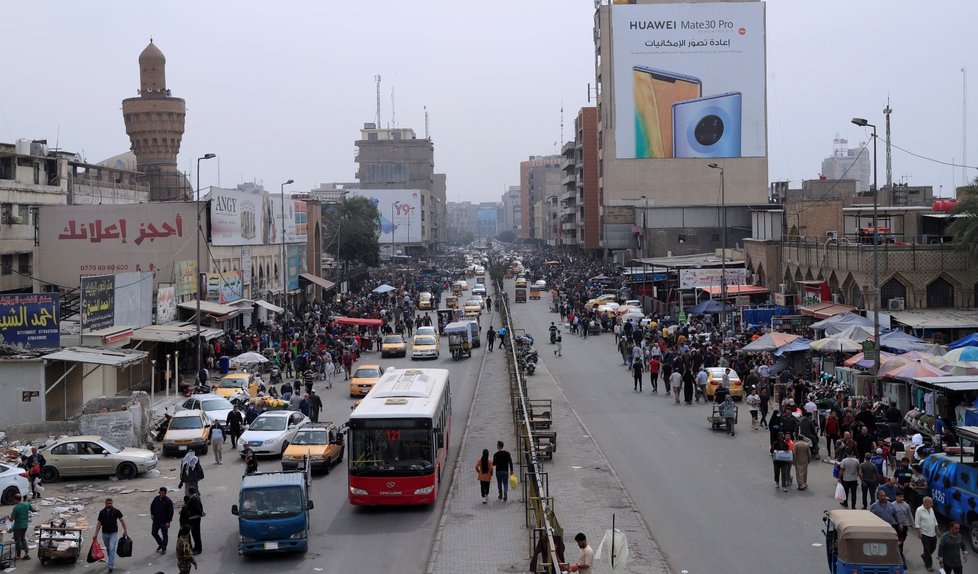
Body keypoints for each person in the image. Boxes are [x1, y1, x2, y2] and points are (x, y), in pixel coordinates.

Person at [93, 497, 128, 573]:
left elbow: (122, 520)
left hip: (113, 533)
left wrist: (125, 531)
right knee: (108, 548)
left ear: (112, 503)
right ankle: (110, 559)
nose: (109, 505)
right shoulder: (102, 512)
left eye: (110, 503)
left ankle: (110, 565)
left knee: (112, 548)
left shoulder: (116, 511)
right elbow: (99, 523)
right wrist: (95, 534)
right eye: (108, 503)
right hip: (104, 533)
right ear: (105, 504)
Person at [915, 496, 940, 572]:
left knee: (933, 547)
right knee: (927, 550)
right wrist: (919, 533)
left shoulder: (931, 509)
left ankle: (924, 555)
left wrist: (937, 530)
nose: (932, 504)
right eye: (930, 503)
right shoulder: (919, 510)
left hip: (932, 533)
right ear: (925, 502)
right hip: (924, 534)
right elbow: (917, 523)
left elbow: (934, 520)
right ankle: (929, 565)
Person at [6, 492, 31, 560]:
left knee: (17, 541)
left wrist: (8, 517)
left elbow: (12, 520)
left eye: (14, 499)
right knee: (23, 539)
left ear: (16, 500)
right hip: (25, 525)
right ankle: (26, 553)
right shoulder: (26, 504)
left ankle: (18, 555)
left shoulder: (16, 508)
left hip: (18, 527)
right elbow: (33, 510)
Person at [150, 486, 174, 554]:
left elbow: (170, 512)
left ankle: (164, 547)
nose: (161, 494)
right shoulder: (156, 498)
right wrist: (152, 514)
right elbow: (152, 506)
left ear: (165, 493)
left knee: (164, 535)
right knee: (154, 532)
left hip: (164, 521)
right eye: (160, 493)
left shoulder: (168, 501)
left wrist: (168, 522)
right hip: (156, 520)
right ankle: (161, 544)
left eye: (163, 493)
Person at [892, 491, 912, 566]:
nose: (901, 498)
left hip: (904, 525)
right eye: (899, 496)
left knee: (902, 540)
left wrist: (913, 524)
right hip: (895, 525)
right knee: (897, 540)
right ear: (896, 497)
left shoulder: (906, 505)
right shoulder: (892, 505)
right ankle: (898, 554)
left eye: (902, 497)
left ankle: (899, 551)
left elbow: (909, 515)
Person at [185, 487, 204, 554]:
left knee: (196, 534)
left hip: (194, 519)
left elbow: (197, 508)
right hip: (196, 518)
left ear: (190, 492)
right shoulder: (196, 497)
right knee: (196, 534)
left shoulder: (193, 499)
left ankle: (198, 549)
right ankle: (197, 547)